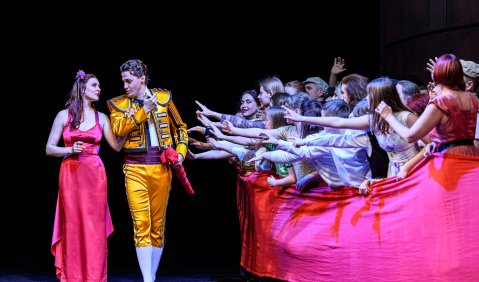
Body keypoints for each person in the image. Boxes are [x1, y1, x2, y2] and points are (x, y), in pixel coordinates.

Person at [107, 59, 189, 282]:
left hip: (162, 167)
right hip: (134, 168)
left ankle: (150, 276)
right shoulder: (118, 104)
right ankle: (147, 279)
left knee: (158, 224)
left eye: (129, 81)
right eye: (123, 81)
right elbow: (117, 130)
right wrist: (143, 111)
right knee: (141, 223)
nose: (125, 86)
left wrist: (180, 153)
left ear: (142, 78)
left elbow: (181, 128)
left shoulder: (164, 98)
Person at [46, 70, 125, 281]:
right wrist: (69, 150)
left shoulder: (103, 118)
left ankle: (95, 276)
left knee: (95, 228)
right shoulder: (64, 116)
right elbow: (49, 148)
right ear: (82, 88)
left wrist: (130, 125)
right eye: (94, 85)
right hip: (71, 174)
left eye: (99, 86)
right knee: (72, 225)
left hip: (95, 175)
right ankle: (72, 276)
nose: (99, 89)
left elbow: (116, 146)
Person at [376, 53, 479, 157]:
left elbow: (410, 136)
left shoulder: (440, 101)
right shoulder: (473, 99)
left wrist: (389, 116)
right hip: (471, 155)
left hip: (450, 157)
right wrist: (437, 143)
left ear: (437, 73)